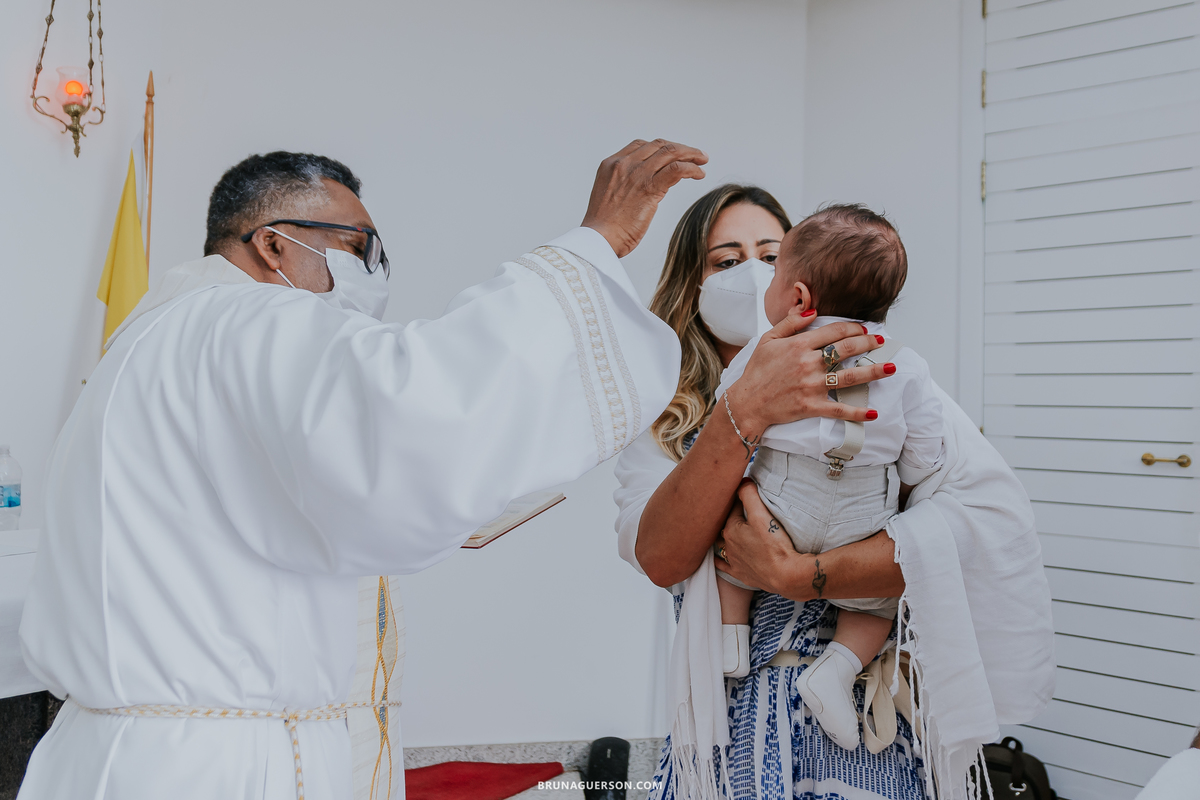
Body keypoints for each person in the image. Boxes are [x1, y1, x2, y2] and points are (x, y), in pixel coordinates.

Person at [17, 140, 705, 800]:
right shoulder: (243, 321)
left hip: (132, 755)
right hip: (213, 769)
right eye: (358, 247)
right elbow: (423, 406)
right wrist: (594, 243)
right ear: (274, 243)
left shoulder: (150, 338)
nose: (373, 271)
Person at [614, 184, 1055, 800]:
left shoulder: (882, 371)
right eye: (725, 260)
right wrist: (743, 412)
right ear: (691, 284)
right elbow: (660, 556)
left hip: (857, 733)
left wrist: (805, 575)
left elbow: (980, 527)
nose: (751, 274)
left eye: (770, 254)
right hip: (722, 730)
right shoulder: (665, 414)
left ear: (800, 280)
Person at [712, 205, 945, 753]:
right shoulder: (906, 362)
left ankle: (730, 637)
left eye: (771, 273)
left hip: (782, 496)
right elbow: (926, 452)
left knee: (732, 548)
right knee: (875, 605)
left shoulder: (767, 349)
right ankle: (837, 669)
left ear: (797, 298)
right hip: (865, 509)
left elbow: (730, 410)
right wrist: (900, 482)